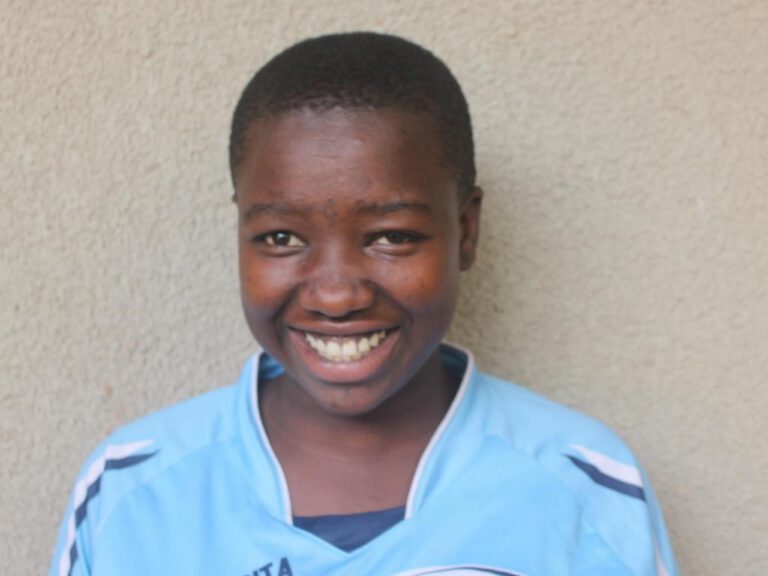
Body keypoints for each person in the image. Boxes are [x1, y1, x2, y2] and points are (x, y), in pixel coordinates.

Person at [50, 32, 678, 576]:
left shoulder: (581, 486)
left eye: (392, 237)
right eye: (281, 238)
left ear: (466, 232)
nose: (336, 294)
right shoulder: (131, 492)